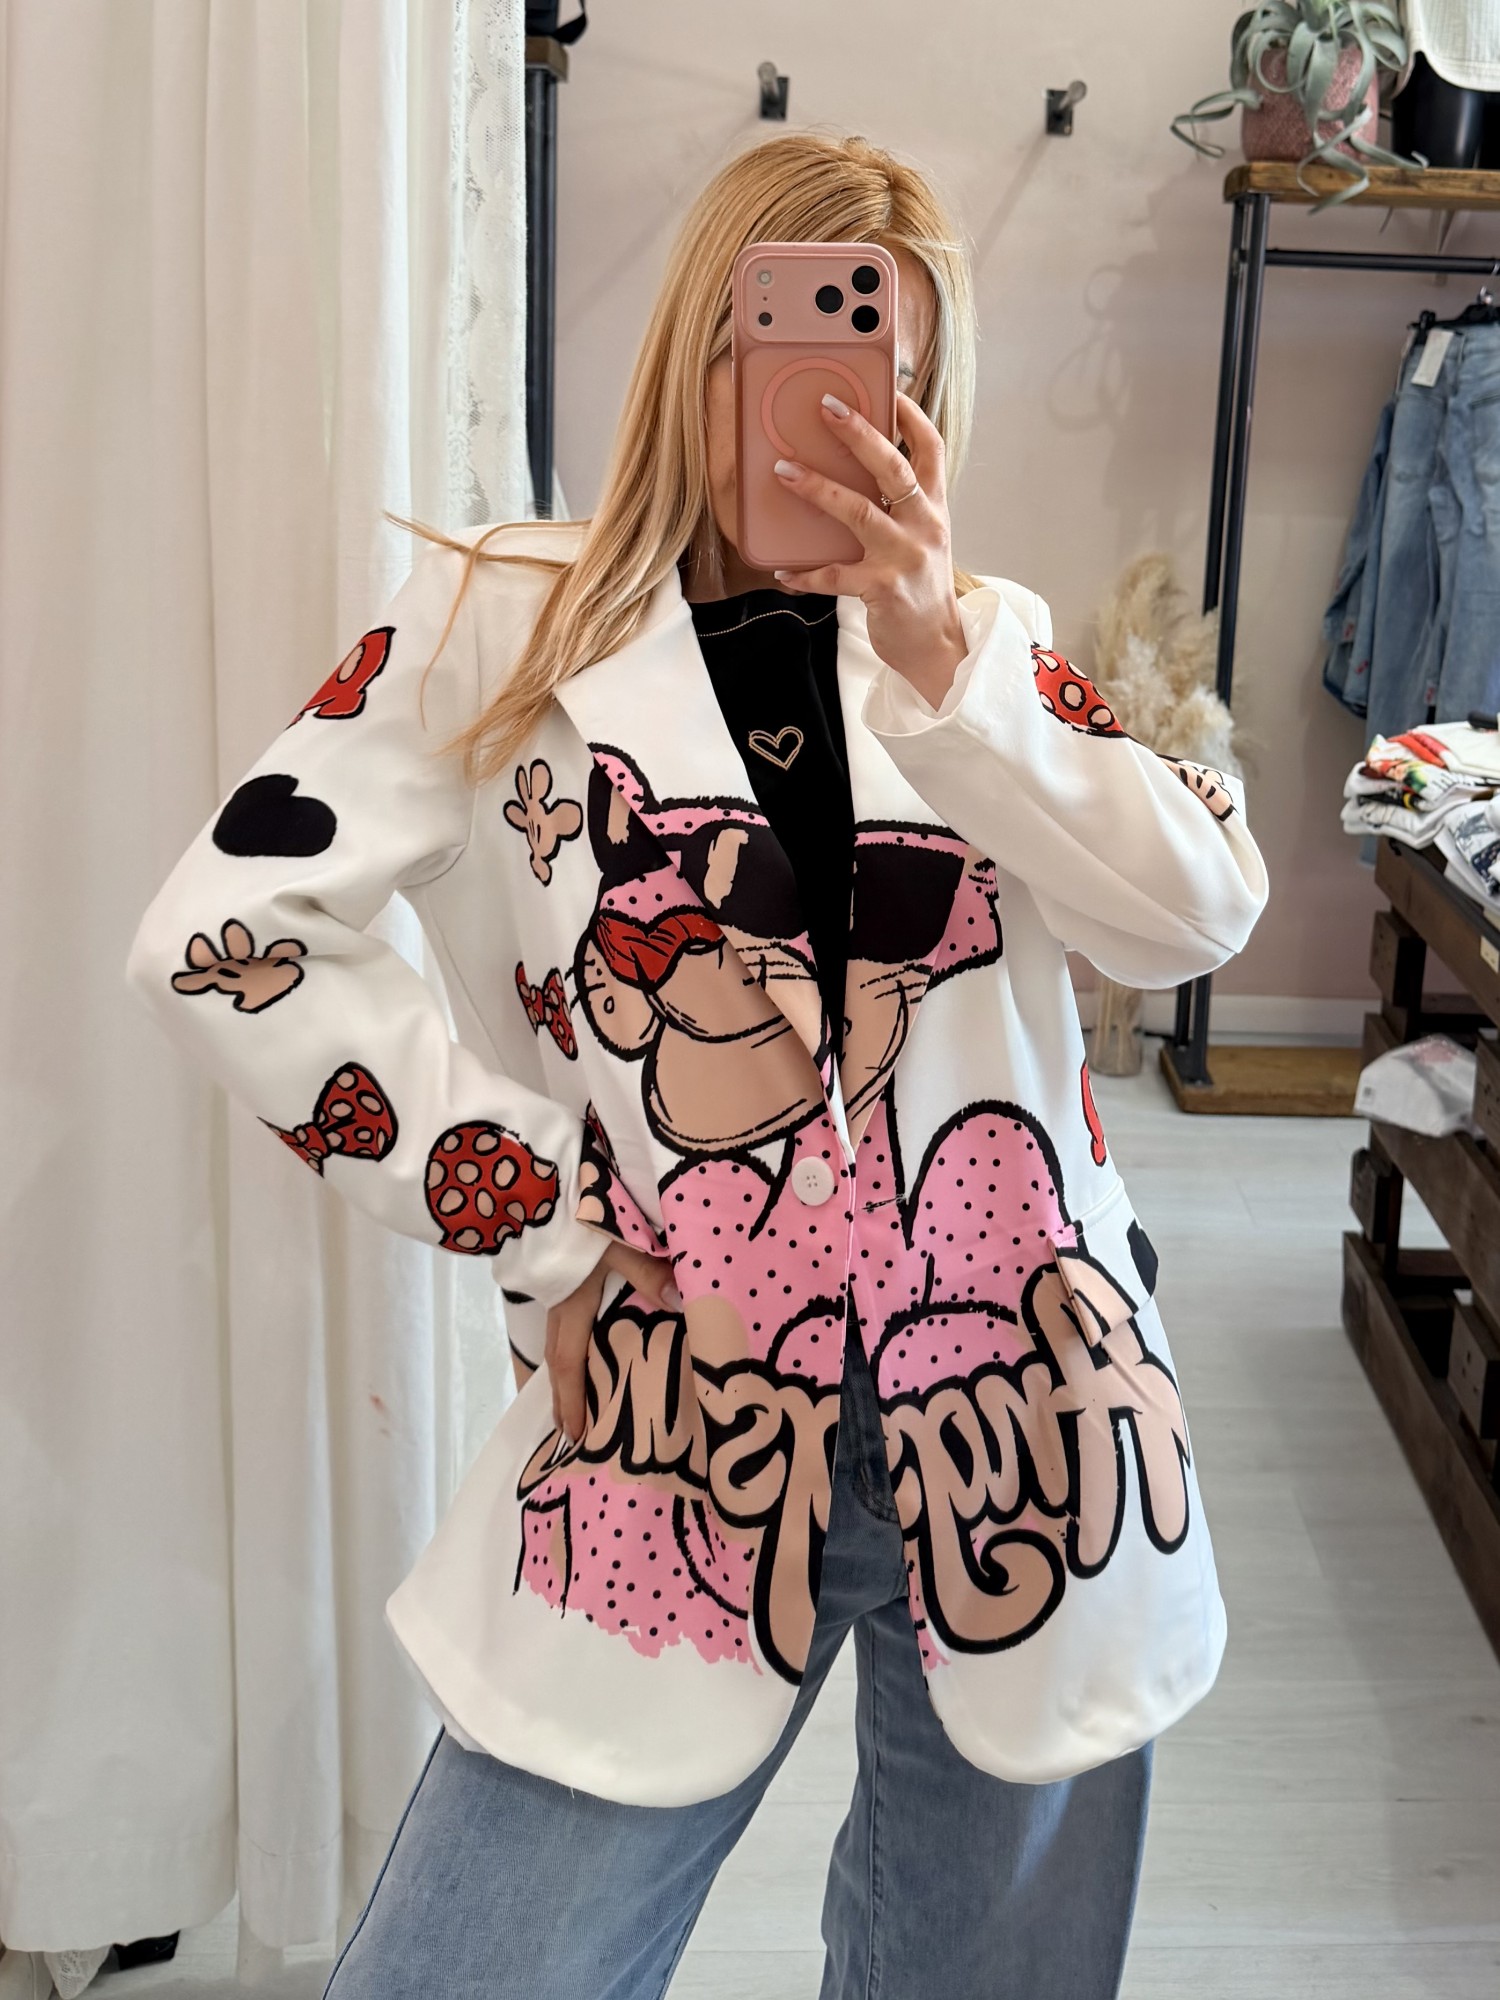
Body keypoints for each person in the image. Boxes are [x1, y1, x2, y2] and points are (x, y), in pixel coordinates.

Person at [125, 130, 1269, 2000]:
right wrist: (544, 1218)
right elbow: (219, 938)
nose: (839, 402)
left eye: (892, 363)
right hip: (683, 1413)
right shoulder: (504, 621)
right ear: (696, 349)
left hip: (1032, 1434)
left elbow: (1202, 908)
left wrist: (948, 665)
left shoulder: (985, 651)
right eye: (785, 339)